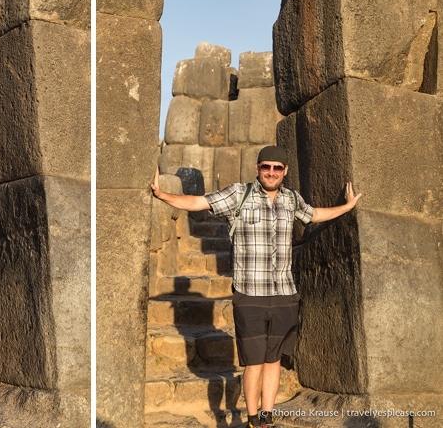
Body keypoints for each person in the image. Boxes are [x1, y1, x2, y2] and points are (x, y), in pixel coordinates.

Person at [150, 145, 361, 428]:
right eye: (266, 167)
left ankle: (266, 417)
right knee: (254, 363)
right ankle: (252, 418)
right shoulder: (239, 194)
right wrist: (163, 194)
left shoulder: (291, 199)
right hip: (250, 294)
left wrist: (347, 207)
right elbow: (198, 202)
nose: (271, 172)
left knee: (273, 360)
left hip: (285, 292)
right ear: (258, 168)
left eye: (277, 168)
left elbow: (314, 215)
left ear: (285, 171)